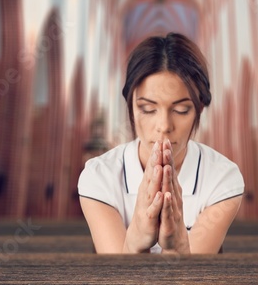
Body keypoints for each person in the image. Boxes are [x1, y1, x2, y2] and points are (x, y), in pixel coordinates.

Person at [78, 32, 244, 254]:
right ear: (131, 106)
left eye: (181, 110)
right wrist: (135, 240)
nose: (164, 125)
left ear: (199, 108)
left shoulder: (223, 178)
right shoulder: (99, 176)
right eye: (148, 109)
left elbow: (190, 277)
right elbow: (115, 276)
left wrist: (177, 247)